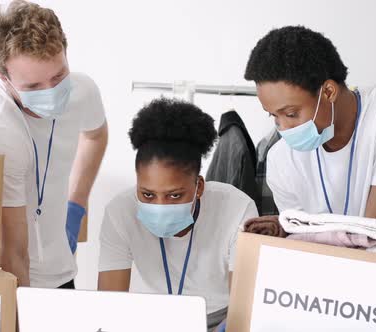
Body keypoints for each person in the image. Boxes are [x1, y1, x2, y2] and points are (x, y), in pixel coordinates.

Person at [0, 0, 108, 288]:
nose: (51, 93)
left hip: (62, 269)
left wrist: (76, 205)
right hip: (8, 274)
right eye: (34, 87)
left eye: (58, 76)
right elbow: (13, 251)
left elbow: (95, 135)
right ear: (4, 78)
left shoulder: (82, 90)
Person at [97, 98, 258, 323]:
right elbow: (109, 307)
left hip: (218, 318)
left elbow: (244, 310)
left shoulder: (237, 209)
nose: (160, 207)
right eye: (147, 195)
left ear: (199, 187)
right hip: (150, 319)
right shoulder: (120, 213)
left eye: (174, 195)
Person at [244, 26, 376, 226]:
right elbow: (301, 242)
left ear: (329, 92)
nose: (283, 128)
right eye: (274, 116)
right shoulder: (280, 160)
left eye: (291, 114)